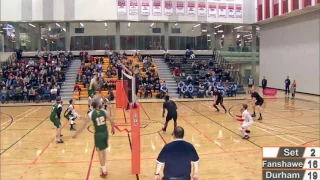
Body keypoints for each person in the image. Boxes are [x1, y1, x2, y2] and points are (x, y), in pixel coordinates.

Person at [72, 98, 115, 178]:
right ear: (99, 105)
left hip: (98, 135)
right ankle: (104, 167)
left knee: (100, 153)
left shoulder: (91, 114)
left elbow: (83, 126)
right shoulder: (104, 112)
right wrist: (113, 128)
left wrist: (76, 134)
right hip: (105, 133)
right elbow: (112, 122)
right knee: (104, 150)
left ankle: (104, 171)